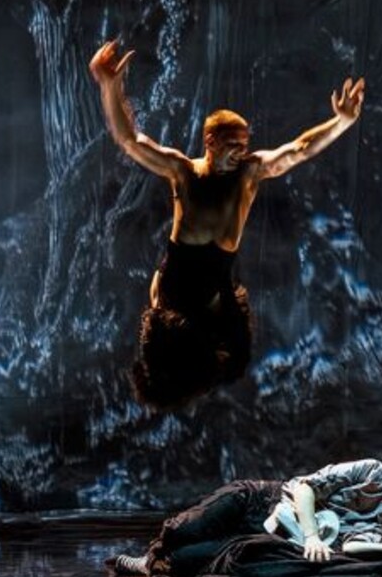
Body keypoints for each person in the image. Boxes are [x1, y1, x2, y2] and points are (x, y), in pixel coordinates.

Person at [88, 40, 367, 409]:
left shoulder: (249, 174)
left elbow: (298, 150)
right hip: (175, 285)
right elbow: (130, 140)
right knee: (168, 361)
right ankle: (162, 382)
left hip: (214, 287)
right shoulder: (183, 172)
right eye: (232, 144)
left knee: (227, 361)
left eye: (244, 144)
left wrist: (341, 122)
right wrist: (110, 88)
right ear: (210, 142)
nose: (240, 151)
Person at [107, 458, 382, 577]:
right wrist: (312, 536)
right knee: (183, 530)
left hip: (266, 536)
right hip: (258, 501)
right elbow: (304, 488)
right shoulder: (374, 473)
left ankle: (144, 565)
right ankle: (145, 558)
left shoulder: (378, 529)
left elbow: (356, 548)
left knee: (184, 561)